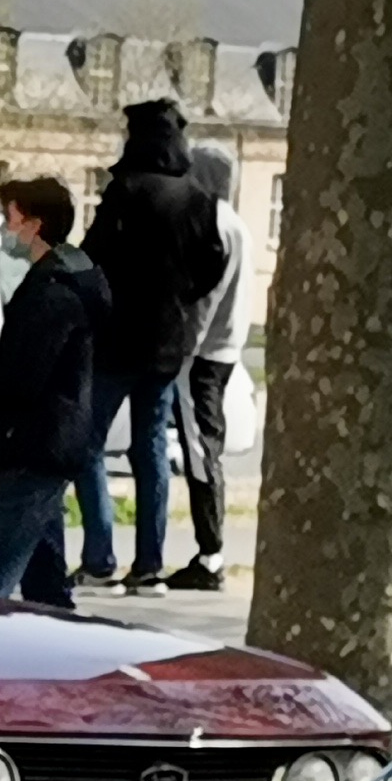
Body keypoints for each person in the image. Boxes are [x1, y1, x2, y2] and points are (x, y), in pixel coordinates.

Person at [79, 96, 230, 593]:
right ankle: (149, 565)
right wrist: (180, 298)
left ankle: (100, 558)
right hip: (168, 343)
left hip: (117, 338)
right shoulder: (199, 199)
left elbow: (94, 256)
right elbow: (212, 264)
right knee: (151, 450)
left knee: (88, 443)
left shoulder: (126, 190)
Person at [0, 177, 109, 611]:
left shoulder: (51, 293)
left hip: (34, 445)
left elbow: (23, 381)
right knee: (45, 590)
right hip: (49, 442)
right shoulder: (63, 282)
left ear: (35, 225)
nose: (5, 229)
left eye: (10, 218)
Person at [169, 142, 251, 590]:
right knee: (205, 445)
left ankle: (211, 554)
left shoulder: (211, 225)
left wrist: (185, 346)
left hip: (202, 355)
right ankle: (210, 551)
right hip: (224, 349)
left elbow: (205, 296)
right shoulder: (235, 224)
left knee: (201, 449)